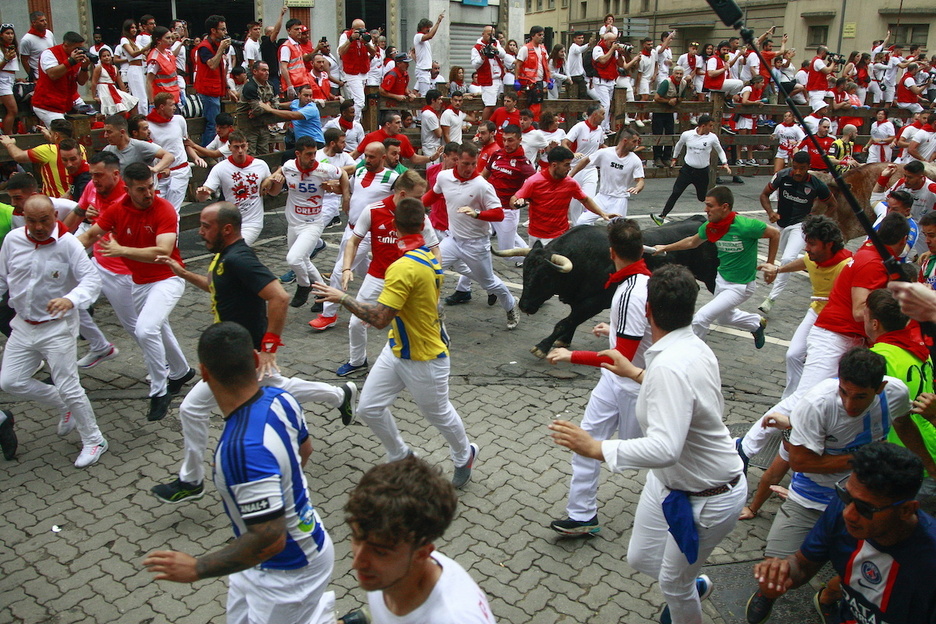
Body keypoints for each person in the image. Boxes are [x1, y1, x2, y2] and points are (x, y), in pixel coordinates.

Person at [550, 263, 746, 624]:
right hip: (669, 484)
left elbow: (665, 448)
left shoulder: (671, 365)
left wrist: (599, 448)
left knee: (673, 583)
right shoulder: (689, 347)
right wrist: (634, 372)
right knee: (640, 558)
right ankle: (692, 583)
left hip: (712, 494)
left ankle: (686, 589)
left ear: (647, 310)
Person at [149, 203, 355, 503]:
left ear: (227, 229)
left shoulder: (241, 259)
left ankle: (192, 480)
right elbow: (214, 286)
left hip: (245, 356)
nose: (200, 232)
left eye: (206, 226)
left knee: (193, 408)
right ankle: (340, 396)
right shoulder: (223, 257)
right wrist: (182, 273)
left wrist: (268, 348)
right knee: (278, 388)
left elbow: (280, 297)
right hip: (233, 354)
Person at [143, 322, 335, 624]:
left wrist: (197, 568)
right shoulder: (282, 400)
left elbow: (271, 537)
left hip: (289, 569)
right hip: (266, 560)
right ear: (257, 360)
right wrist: (282, 488)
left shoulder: (243, 450)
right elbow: (305, 450)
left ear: (204, 374)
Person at [312, 198, 479, 487]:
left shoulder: (404, 266)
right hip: (397, 348)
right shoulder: (427, 256)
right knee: (369, 408)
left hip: (425, 358)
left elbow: (379, 319)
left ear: (393, 226)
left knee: (438, 414)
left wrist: (343, 298)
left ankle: (464, 454)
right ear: (423, 226)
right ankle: (401, 455)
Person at [546, 219, 652, 535]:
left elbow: (625, 359)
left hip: (634, 388)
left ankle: (711, 473)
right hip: (613, 384)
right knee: (585, 442)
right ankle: (582, 515)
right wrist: (614, 331)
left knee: (654, 454)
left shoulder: (632, 291)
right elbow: (632, 338)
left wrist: (571, 355)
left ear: (612, 252)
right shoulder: (636, 282)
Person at [76, 162, 196, 422]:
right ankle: (182, 371)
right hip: (140, 282)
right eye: (141, 189)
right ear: (127, 189)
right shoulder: (117, 210)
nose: (149, 193)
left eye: (151, 187)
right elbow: (88, 237)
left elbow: (163, 251)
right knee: (158, 327)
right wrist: (58, 250)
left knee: (145, 329)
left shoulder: (164, 209)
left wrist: (123, 251)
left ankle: (159, 390)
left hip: (168, 278)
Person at [0, 194, 105, 468]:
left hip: (57, 326)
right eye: (31, 221)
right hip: (22, 325)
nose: (37, 227)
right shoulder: (12, 241)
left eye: (44, 220)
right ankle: (63, 405)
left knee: (69, 385)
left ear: (55, 217)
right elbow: (2, 278)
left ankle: (94, 440)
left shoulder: (68, 245)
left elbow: (91, 280)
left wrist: (70, 299)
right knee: (10, 381)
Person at [339, 455, 496, 624]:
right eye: (357, 537)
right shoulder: (385, 575)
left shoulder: (454, 618)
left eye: (380, 552)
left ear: (422, 554)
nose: (357, 563)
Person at [333, 170, 440, 379]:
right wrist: (346, 268)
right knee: (356, 322)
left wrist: (435, 275)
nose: (423, 201)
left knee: (411, 324)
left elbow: (435, 248)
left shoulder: (420, 217)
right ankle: (357, 361)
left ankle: (413, 365)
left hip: (409, 281)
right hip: (378, 277)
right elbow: (353, 241)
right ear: (401, 195)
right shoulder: (373, 210)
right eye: (418, 196)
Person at [655, 185, 778, 347]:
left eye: (710, 206)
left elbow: (775, 234)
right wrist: (665, 247)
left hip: (741, 285)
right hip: (722, 279)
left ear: (724, 207)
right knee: (725, 317)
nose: (706, 209)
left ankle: (693, 357)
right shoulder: (711, 227)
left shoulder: (746, 226)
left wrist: (770, 263)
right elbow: (692, 241)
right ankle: (756, 323)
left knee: (701, 318)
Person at [421, 142, 519, 329]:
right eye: (466, 163)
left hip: (476, 243)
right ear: (457, 161)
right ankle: (435, 310)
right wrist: (413, 209)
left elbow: (498, 213)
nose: (470, 168)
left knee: (489, 283)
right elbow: (432, 196)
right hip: (452, 240)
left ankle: (510, 304)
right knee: (429, 271)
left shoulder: (482, 185)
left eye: (474, 164)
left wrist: (477, 214)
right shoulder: (443, 177)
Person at [311, 142, 399, 338]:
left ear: (383, 158)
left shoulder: (392, 178)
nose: (367, 160)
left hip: (367, 234)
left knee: (339, 270)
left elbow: (401, 202)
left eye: (372, 157)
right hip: (349, 228)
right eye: (365, 156)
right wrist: (333, 188)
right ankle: (389, 299)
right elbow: (349, 189)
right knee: (363, 269)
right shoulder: (359, 172)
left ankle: (328, 314)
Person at [264, 136, 347, 310]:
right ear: (297, 154)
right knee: (304, 261)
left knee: (294, 259)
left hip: (313, 223)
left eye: (313, 154)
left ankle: (304, 285)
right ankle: (324, 295)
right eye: (308, 154)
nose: (312, 158)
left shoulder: (325, 169)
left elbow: (344, 174)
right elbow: (273, 193)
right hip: (294, 223)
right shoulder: (288, 167)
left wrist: (343, 194)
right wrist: (275, 181)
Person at [757, 151, 834, 314]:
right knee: (788, 256)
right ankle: (810, 258)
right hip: (781, 225)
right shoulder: (782, 176)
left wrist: (817, 221)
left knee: (787, 259)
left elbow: (832, 204)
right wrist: (770, 212)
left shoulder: (816, 184)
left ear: (809, 168)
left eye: (802, 168)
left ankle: (771, 298)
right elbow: (764, 195)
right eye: (795, 167)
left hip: (800, 225)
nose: (798, 172)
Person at [511, 146, 614, 246]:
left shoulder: (571, 183)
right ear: (554, 165)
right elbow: (514, 200)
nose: (569, 168)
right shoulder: (534, 182)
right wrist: (517, 203)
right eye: (566, 165)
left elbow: (585, 200)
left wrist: (602, 213)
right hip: (537, 237)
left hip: (560, 236)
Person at [195, 132, 272, 246]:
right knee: (229, 254)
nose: (240, 151)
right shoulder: (220, 168)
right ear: (229, 147)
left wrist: (271, 179)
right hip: (230, 222)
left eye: (242, 146)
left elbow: (273, 190)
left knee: (235, 248)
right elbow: (203, 196)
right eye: (236, 147)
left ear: (247, 146)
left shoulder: (261, 165)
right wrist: (203, 192)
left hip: (252, 222)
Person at [651, 115, 731, 224]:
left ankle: (721, 214)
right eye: (710, 126)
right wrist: (674, 158)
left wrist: (725, 162)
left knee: (702, 197)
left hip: (702, 172)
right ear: (703, 126)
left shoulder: (712, 137)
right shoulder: (687, 135)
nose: (712, 128)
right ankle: (662, 216)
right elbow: (679, 145)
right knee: (676, 192)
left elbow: (720, 150)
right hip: (687, 170)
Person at [569, 127, 644, 224]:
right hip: (601, 197)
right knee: (582, 221)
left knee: (616, 228)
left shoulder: (635, 160)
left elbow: (640, 180)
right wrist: (570, 175)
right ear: (625, 141)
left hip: (619, 199)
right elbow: (586, 160)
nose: (636, 145)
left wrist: (637, 188)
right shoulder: (605, 153)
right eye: (634, 141)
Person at [146, 92, 205, 211]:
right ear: (162, 107)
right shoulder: (148, 125)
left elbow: (185, 142)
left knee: (173, 210)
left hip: (180, 170)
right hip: (160, 172)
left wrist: (195, 157)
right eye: (172, 105)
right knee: (157, 209)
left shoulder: (179, 120)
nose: (175, 108)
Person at [0, 120, 86, 199]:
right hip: (76, 198)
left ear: (56, 135)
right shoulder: (80, 148)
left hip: (54, 202)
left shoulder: (47, 150)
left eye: (51, 133)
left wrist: (9, 144)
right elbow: (62, 145)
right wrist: (51, 137)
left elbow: (18, 156)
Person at [483, 125, 535, 253]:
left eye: (510, 140)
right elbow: (483, 176)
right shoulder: (497, 154)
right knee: (478, 240)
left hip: (507, 212)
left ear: (519, 140)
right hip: (490, 206)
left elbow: (537, 185)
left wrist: (524, 199)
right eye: (504, 139)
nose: (506, 144)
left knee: (506, 252)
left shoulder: (523, 163)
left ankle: (534, 259)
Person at [31, 31, 93, 127]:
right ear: (66, 45)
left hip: (66, 102)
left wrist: (84, 68)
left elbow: (81, 82)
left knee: (86, 123)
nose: (79, 51)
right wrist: (70, 62)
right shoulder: (49, 53)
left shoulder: (77, 58)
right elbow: (52, 74)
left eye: (81, 48)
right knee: (62, 132)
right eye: (76, 48)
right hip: (47, 105)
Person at [562, 103, 606, 224]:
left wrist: (615, 152)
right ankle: (577, 227)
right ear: (595, 114)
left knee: (589, 199)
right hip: (575, 169)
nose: (604, 117)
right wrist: (572, 154)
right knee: (575, 204)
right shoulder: (579, 127)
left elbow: (601, 146)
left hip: (590, 169)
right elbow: (565, 143)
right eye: (602, 114)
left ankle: (588, 226)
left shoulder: (600, 130)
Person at [193, 15, 231, 147]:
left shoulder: (215, 45)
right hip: (208, 91)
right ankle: (207, 152)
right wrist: (221, 49)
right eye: (222, 29)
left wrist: (227, 88)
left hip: (216, 89)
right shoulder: (204, 47)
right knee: (212, 124)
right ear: (213, 30)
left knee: (213, 123)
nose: (225, 32)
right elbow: (212, 65)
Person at [101, 113, 173, 175]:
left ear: (122, 132)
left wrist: (156, 169)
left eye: (109, 132)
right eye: (105, 132)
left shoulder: (139, 146)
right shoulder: (108, 150)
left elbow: (169, 156)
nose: (105, 136)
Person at [234, 61, 278, 155]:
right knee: (250, 153)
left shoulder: (270, 85)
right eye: (263, 70)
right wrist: (269, 106)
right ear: (255, 71)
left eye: (268, 70)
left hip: (263, 124)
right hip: (248, 126)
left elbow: (277, 105)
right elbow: (257, 110)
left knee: (264, 153)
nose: (267, 73)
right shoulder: (250, 87)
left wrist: (266, 104)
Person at [652, 66, 691, 168]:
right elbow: (656, 97)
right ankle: (657, 157)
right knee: (658, 133)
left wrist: (676, 100)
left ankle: (667, 157)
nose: (678, 76)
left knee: (670, 133)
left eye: (680, 74)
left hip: (670, 111)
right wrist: (668, 101)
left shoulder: (683, 83)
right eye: (677, 73)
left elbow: (682, 97)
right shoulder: (666, 82)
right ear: (673, 73)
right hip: (659, 111)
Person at [260, 85, 324, 146]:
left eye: (310, 96)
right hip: (302, 143)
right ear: (299, 95)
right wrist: (270, 104)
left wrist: (271, 110)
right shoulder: (295, 103)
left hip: (315, 142)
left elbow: (293, 115)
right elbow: (280, 105)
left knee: (287, 156)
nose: (309, 98)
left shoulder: (311, 108)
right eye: (306, 95)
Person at [339, 19, 378, 121]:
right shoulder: (345, 36)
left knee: (356, 102)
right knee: (360, 101)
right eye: (358, 29)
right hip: (351, 72)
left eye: (363, 29)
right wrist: (351, 40)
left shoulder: (366, 36)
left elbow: (373, 52)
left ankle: (355, 122)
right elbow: (340, 52)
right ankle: (351, 122)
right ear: (353, 29)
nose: (361, 31)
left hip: (363, 72)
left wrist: (366, 43)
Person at [90, 46, 138, 116]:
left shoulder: (115, 68)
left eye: (108, 55)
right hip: (104, 90)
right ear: (100, 58)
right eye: (104, 56)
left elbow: (120, 83)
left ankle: (133, 122)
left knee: (133, 102)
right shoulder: (99, 68)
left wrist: (125, 94)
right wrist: (94, 96)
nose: (106, 57)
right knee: (120, 111)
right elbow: (94, 82)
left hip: (113, 89)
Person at [471, 25, 507, 119]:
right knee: (489, 105)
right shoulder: (477, 47)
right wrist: (482, 58)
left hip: (499, 78)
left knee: (499, 105)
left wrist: (496, 50)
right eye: (489, 34)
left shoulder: (496, 43)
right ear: (483, 34)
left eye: (493, 34)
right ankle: (484, 126)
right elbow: (475, 65)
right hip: (488, 80)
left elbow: (503, 55)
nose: (491, 37)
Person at [590, 32, 622, 132]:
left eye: (615, 42)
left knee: (609, 105)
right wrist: (612, 50)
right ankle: (602, 128)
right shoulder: (598, 48)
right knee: (605, 105)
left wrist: (621, 53)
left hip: (611, 81)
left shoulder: (614, 51)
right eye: (611, 42)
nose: (613, 44)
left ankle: (606, 126)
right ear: (605, 40)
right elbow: (602, 60)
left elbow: (621, 64)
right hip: (601, 81)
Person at [145, 26, 180, 105]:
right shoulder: (155, 58)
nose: (171, 40)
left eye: (171, 38)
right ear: (158, 40)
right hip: (163, 102)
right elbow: (148, 82)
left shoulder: (169, 53)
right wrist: (151, 103)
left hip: (173, 98)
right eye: (167, 38)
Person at [18, 11, 55, 81]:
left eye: (45, 20)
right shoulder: (26, 39)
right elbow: (24, 60)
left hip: (52, 73)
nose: (45, 23)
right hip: (39, 76)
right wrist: (32, 77)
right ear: (34, 22)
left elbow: (55, 51)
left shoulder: (49, 33)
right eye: (41, 21)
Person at [413, 14, 444, 96]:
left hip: (425, 70)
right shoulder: (418, 36)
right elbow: (430, 35)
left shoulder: (422, 40)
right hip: (423, 70)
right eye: (427, 27)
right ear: (422, 27)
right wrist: (438, 22)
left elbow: (414, 50)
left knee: (426, 94)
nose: (428, 29)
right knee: (424, 95)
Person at [0, 24, 20, 135]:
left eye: (12, 33)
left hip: (10, 79)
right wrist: (6, 59)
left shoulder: (11, 47)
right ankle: (8, 134)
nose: (10, 36)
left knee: (10, 110)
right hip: (2, 81)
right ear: (1, 35)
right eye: (7, 33)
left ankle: (9, 131)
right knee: (13, 110)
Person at [420, 90, 444, 162]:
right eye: (439, 99)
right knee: (432, 169)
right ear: (433, 100)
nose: (441, 102)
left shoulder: (428, 113)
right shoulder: (430, 115)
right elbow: (439, 134)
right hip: (431, 147)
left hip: (431, 145)